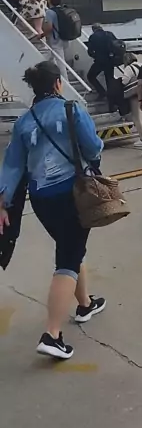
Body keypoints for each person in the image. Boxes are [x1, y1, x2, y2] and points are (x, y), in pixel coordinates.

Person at [0, 60, 105, 360]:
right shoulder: (71, 110)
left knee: (71, 246)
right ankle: (52, 335)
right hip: (72, 194)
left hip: (41, 198)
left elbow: (12, 166)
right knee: (68, 259)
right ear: (58, 83)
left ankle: (85, 304)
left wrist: (3, 203)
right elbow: (93, 148)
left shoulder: (24, 121)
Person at [114, 51, 142, 149]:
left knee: (136, 117)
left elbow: (124, 81)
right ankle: (139, 132)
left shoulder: (129, 68)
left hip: (134, 94)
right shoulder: (141, 65)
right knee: (138, 115)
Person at [87, 24, 117, 105]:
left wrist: (96, 56)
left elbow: (90, 52)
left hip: (100, 61)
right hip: (110, 61)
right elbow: (116, 46)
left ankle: (102, 92)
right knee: (109, 81)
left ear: (93, 29)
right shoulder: (109, 34)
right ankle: (112, 103)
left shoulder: (93, 37)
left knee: (90, 76)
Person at [43, 0, 69, 78]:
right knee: (51, 57)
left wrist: (42, 35)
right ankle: (48, 72)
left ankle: (65, 81)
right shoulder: (63, 10)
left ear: (50, 1)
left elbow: (49, 27)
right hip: (64, 38)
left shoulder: (50, 12)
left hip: (55, 40)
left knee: (60, 62)